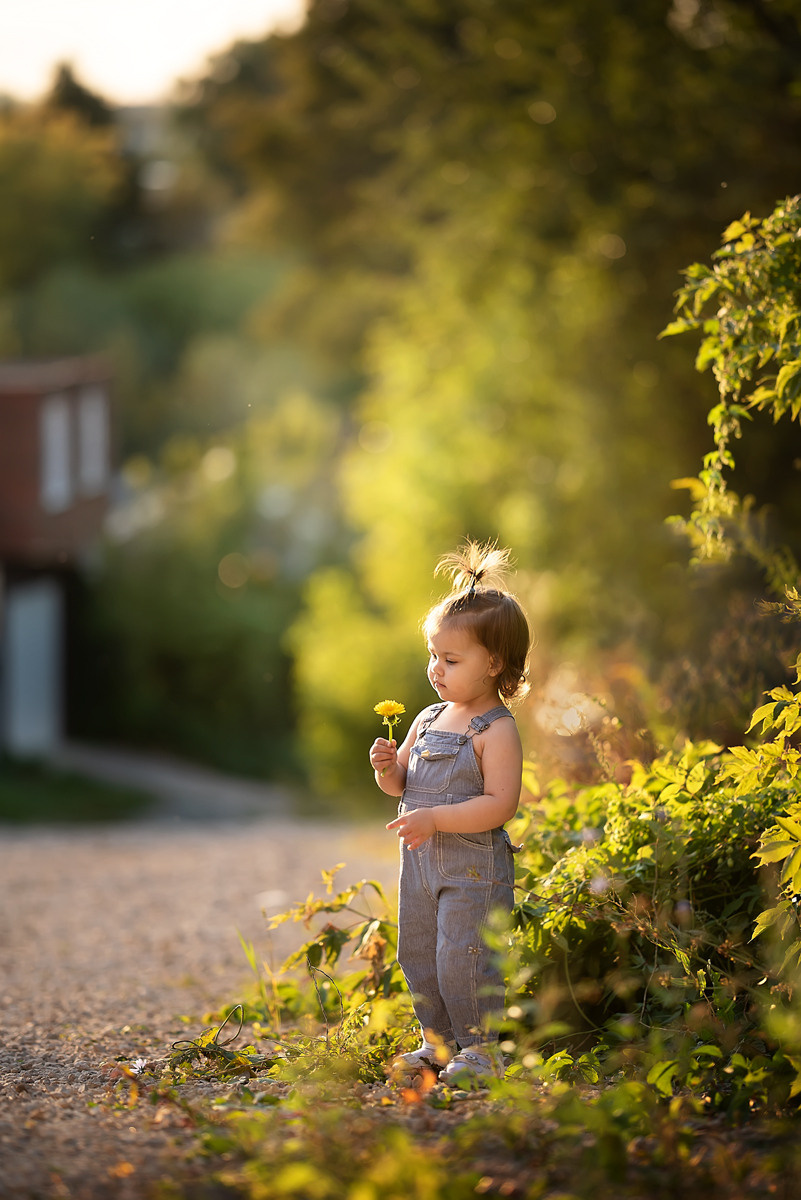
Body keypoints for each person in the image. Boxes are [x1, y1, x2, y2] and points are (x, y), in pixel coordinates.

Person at [369, 540, 531, 1087]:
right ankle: (436, 1045)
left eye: (451, 660)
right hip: (419, 865)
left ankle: (481, 1052)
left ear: (494, 663)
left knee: (462, 958)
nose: (436, 669)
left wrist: (437, 820)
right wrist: (386, 769)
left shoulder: (497, 730)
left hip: (473, 870)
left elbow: (499, 805)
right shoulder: (429, 716)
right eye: (433, 656)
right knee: (417, 954)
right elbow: (403, 787)